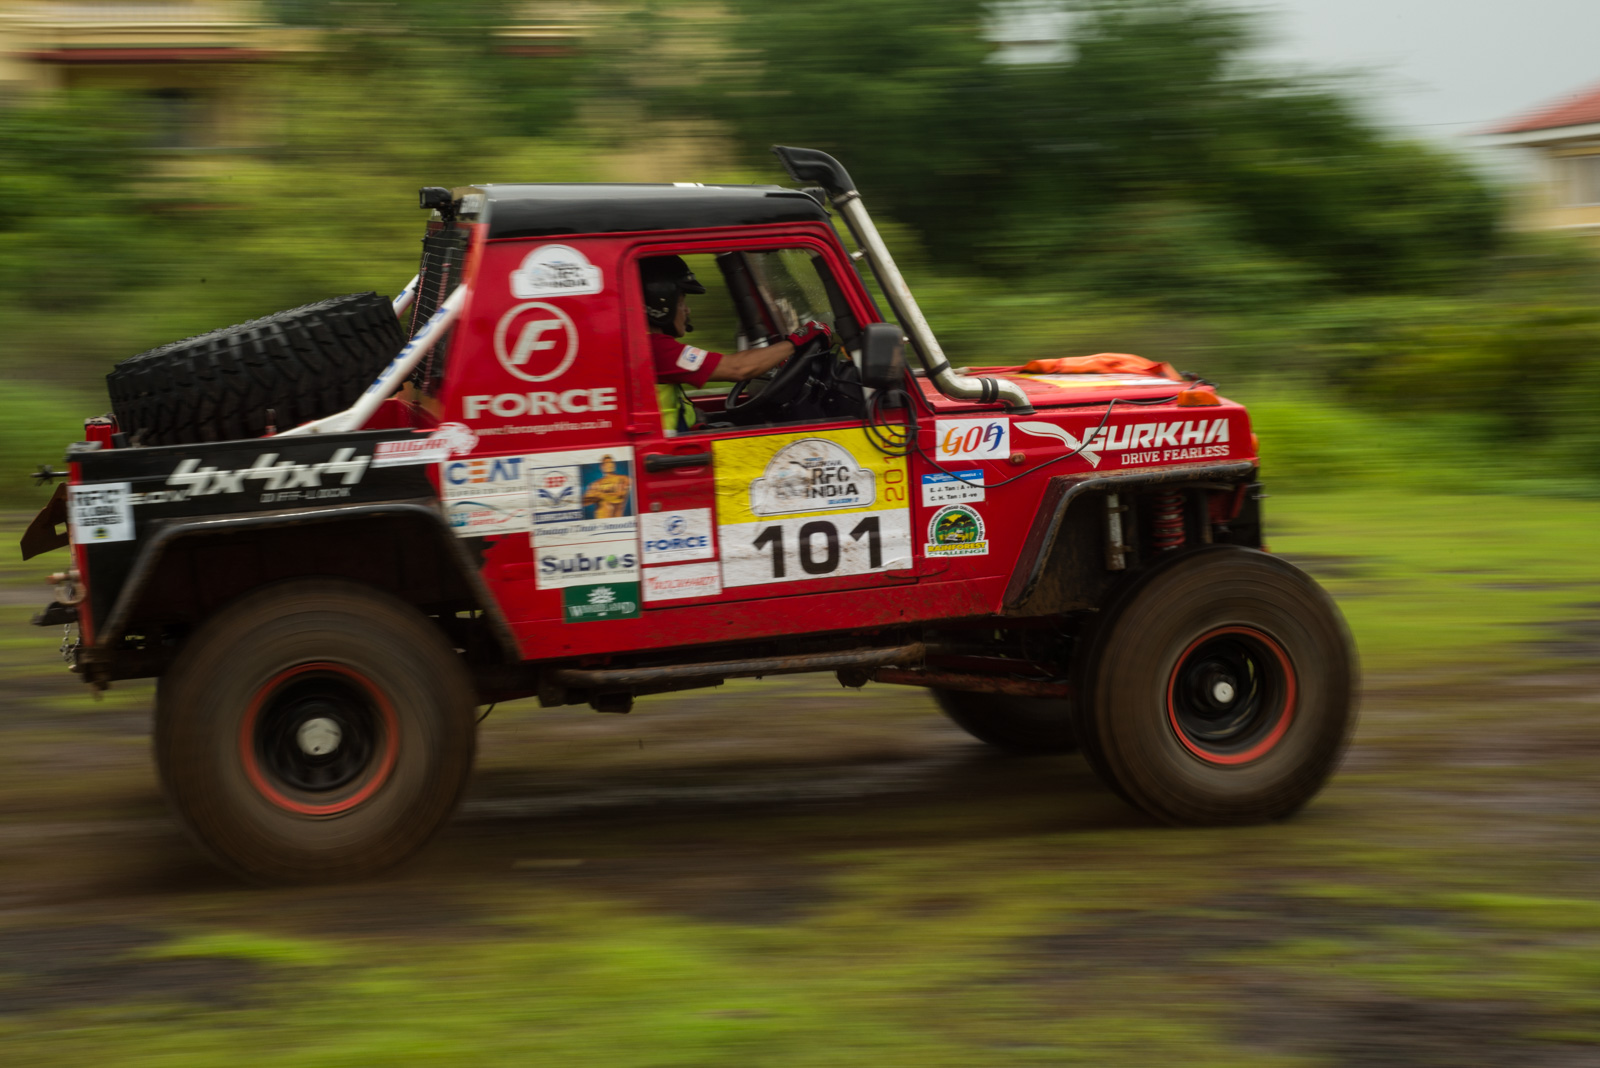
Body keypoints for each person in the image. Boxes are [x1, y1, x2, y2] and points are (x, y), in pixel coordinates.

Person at [641, 256, 830, 431]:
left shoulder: (648, 346)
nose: (687, 310)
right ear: (660, 304)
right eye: (681, 302)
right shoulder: (655, 350)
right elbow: (738, 369)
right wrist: (796, 341)